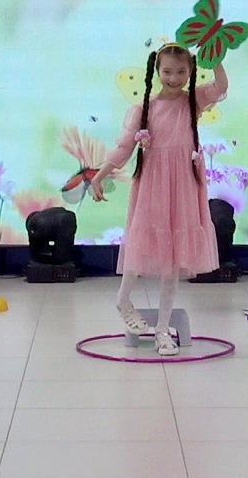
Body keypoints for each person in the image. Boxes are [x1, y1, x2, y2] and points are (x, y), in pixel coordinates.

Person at [91, 43, 229, 355]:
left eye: (181, 71)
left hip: (183, 185)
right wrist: (99, 175)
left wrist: (217, 58)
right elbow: (124, 148)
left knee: (173, 259)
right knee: (142, 241)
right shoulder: (143, 109)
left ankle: (163, 329)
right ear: (156, 71)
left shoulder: (193, 101)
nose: (174, 78)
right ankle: (123, 299)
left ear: (191, 72)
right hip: (153, 183)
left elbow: (221, 86)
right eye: (167, 71)